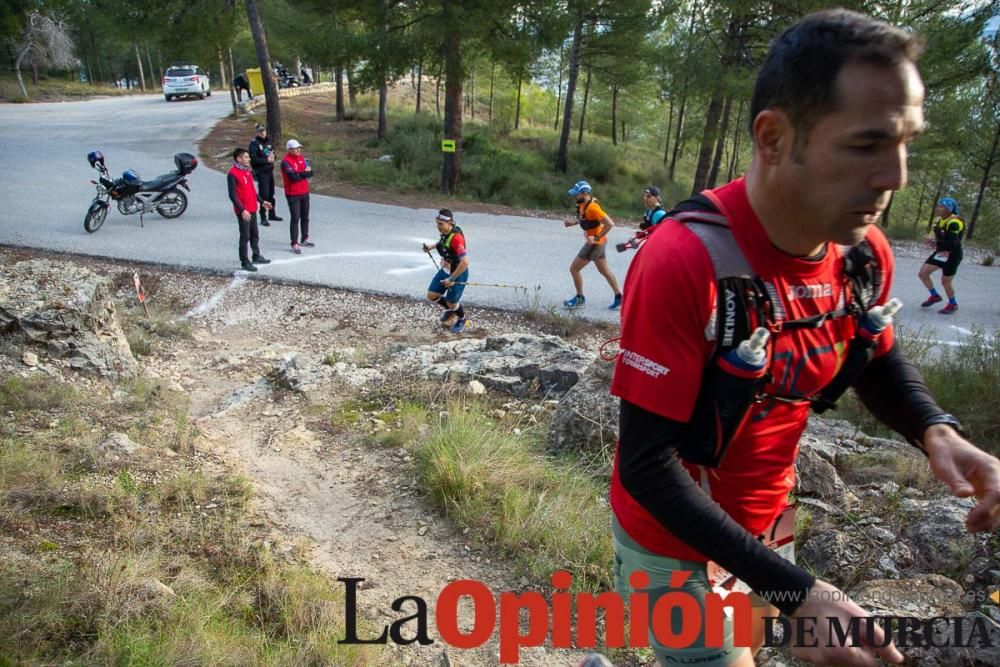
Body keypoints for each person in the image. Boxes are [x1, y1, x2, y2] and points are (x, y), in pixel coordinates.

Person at [609, 10, 1000, 667]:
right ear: (773, 136)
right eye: (867, 144)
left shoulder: (861, 250)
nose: (896, 176)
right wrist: (800, 593)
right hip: (676, 543)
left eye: (906, 143)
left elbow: (872, 353)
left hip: (768, 527)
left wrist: (935, 429)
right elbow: (647, 465)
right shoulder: (685, 260)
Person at [562, 180, 622, 310]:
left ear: (584, 193)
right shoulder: (582, 204)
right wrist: (572, 223)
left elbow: (610, 224)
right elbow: (583, 218)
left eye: (577, 194)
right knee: (604, 271)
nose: (575, 197)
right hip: (600, 243)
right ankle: (619, 296)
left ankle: (580, 298)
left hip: (595, 244)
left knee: (574, 269)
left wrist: (596, 237)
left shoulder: (593, 208)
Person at [422, 209, 469, 334]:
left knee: (452, 302)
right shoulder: (445, 232)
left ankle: (462, 319)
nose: (438, 227)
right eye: (437, 223)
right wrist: (431, 247)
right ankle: (451, 310)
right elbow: (443, 242)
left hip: (458, 273)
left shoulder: (457, 238)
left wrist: (452, 279)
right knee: (432, 295)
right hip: (445, 270)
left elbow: (464, 262)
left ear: (450, 223)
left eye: (440, 224)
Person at [227, 148, 271, 272]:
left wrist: (262, 202)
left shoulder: (247, 172)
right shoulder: (233, 174)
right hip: (243, 211)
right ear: (238, 159)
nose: (249, 159)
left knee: (254, 234)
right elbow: (232, 195)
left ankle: (256, 255)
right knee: (245, 236)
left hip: (252, 208)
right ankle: (244, 261)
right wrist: (242, 210)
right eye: (246, 157)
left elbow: (252, 191)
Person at [918, 197, 965, 314]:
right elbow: (943, 239)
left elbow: (951, 244)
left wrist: (934, 242)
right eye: (938, 206)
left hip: (953, 255)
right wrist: (933, 242)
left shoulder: (954, 223)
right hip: (942, 253)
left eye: (942, 206)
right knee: (923, 273)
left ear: (949, 209)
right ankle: (935, 296)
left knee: (945, 281)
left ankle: (953, 304)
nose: (938, 208)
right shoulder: (940, 220)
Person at [280, 139, 314, 254]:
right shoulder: (286, 162)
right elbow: (293, 178)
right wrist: (303, 174)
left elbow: (310, 173)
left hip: (304, 191)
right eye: (295, 148)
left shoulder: (302, 158)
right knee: (295, 217)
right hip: (292, 194)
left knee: (305, 216)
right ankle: (294, 242)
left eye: (299, 147)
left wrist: (301, 174)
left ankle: (304, 238)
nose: (298, 150)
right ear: (289, 149)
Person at [249, 124, 281, 226]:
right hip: (261, 172)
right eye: (260, 131)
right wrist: (266, 160)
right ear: (257, 132)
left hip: (269, 171)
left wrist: (273, 157)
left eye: (263, 130)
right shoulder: (254, 144)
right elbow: (253, 159)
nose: (262, 132)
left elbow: (272, 153)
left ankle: (272, 213)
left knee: (271, 193)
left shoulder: (268, 141)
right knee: (264, 194)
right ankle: (263, 216)